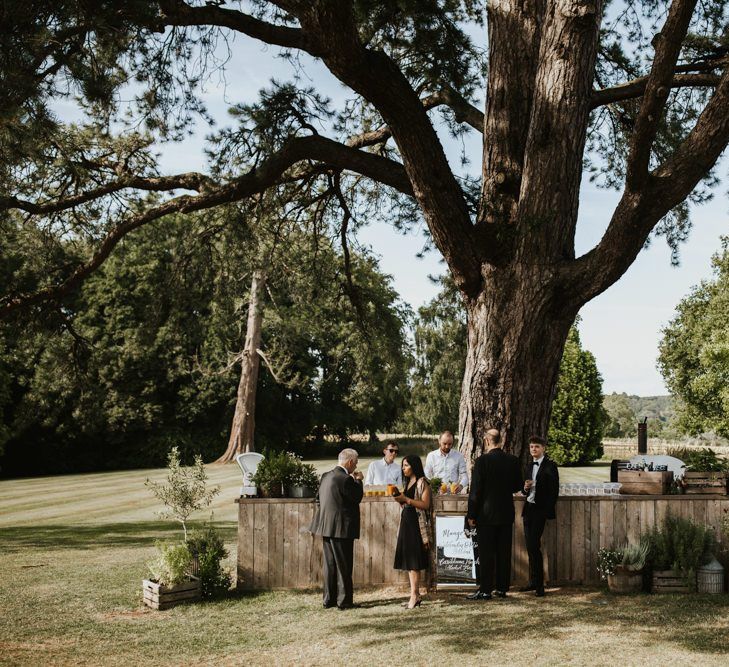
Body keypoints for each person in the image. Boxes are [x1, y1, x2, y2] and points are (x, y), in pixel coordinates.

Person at [466, 429, 522, 600]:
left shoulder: (482, 461)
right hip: (505, 513)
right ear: (501, 441)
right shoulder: (512, 461)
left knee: (486, 553)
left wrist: (471, 514)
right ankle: (502, 588)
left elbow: (475, 491)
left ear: (487, 441)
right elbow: (517, 486)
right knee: (504, 552)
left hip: (486, 515)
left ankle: (485, 589)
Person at [309, 448, 364, 610]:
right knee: (344, 565)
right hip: (342, 529)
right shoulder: (346, 479)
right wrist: (359, 480)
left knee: (330, 565)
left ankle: (329, 599)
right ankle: (344, 601)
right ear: (350, 462)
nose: (356, 465)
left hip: (326, 527)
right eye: (356, 462)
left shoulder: (325, 476)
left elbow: (318, 499)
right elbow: (356, 497)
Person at [520, 435, 559, 597]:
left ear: (543, 448)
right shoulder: (529, 466)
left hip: (540, 510)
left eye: (536, 446)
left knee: (534, 546)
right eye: (531, 447)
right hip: (528, 509)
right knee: (530, 547)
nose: (533, 449)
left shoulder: (550, 466)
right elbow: (524, 491)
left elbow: (554, 490)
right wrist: (526, 487)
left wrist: (546, 510)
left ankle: (539, 585)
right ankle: (533, 581)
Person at [393, 455, 432, 609]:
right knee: (409, 561)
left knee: (414, 561)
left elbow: (425, 504)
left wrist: (407, 500)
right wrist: (400, 500)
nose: (403, 468)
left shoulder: (423, 482)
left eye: (406, 465)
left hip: (416, 524)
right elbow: (407, 503)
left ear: (414, 466)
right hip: (406, 522)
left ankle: (414, 595)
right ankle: (414, 594)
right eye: (403, 465)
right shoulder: (407, 482)